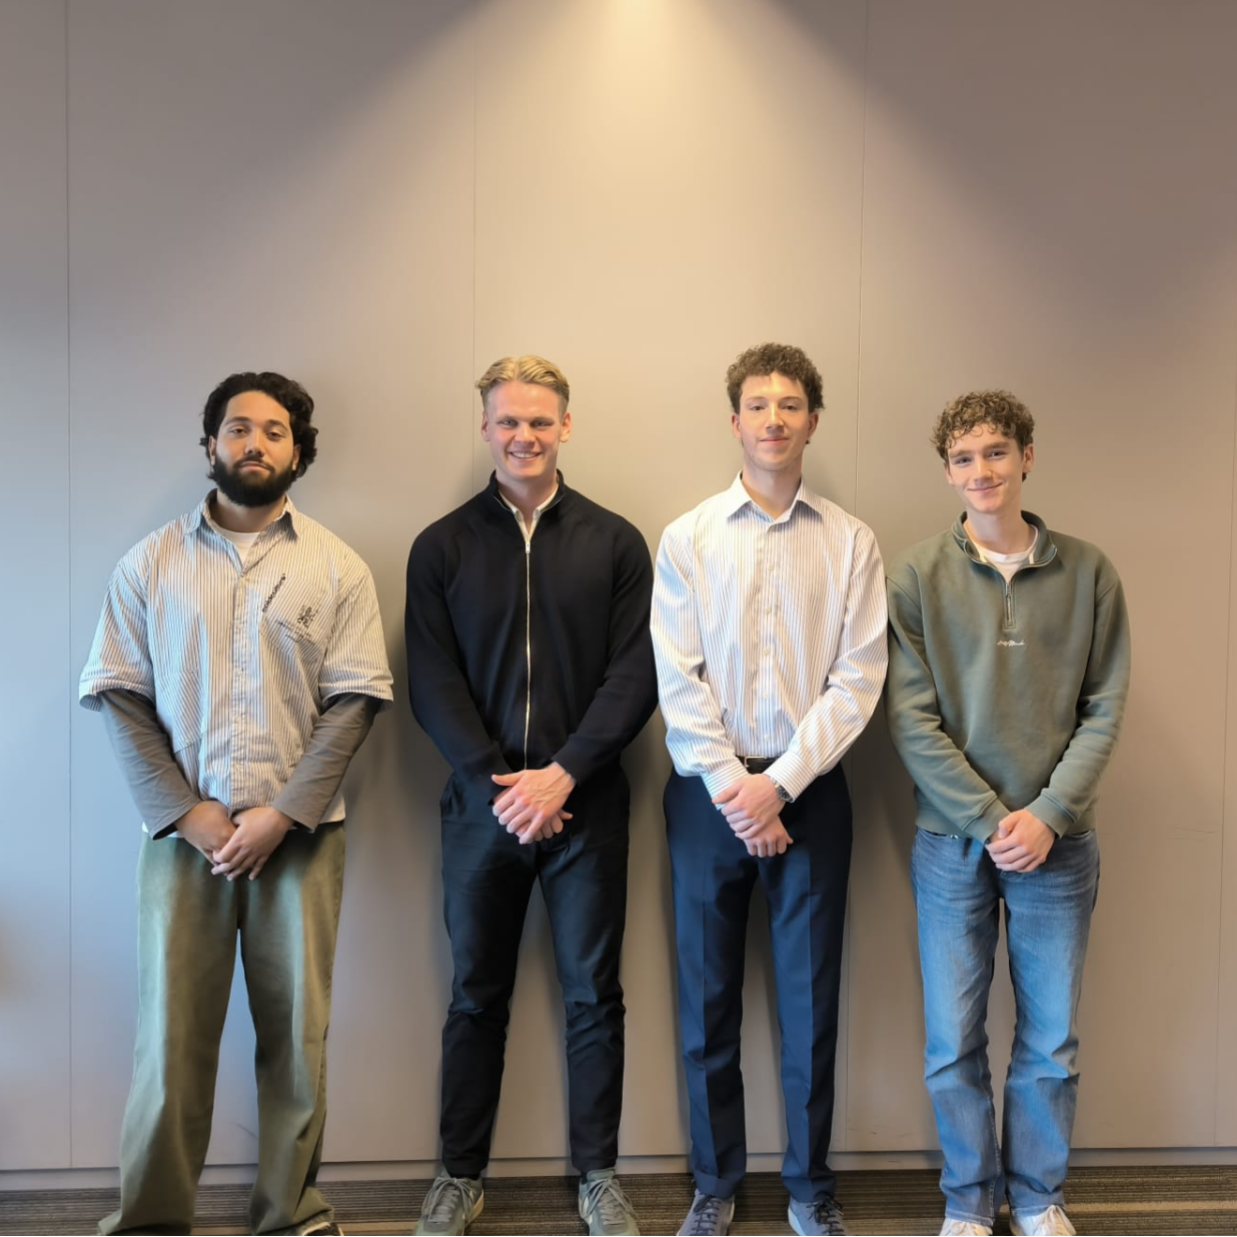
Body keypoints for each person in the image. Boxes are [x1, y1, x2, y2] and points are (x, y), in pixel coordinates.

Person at [79, 371, 393, 1237]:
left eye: (275, 430)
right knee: (169, 1036)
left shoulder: (337, 566)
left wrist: (280, 814)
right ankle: (150, 1219)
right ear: (210, 443)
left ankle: (291, 1213)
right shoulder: (150, 563)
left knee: (298, 1037)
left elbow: (354, 701)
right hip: (181, 840)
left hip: (302, 838)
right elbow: (118, 693)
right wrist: (190, 813)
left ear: (299, 451)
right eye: (238, 427)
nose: (255, 442)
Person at [405, 355, 657, 1237]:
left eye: (540, 420)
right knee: (476, 993)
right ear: (485, 428)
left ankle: (599, 1175)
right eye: (508, 420)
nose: (524, 435)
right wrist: (498, 783)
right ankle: (458, 1174)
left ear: (565, 426)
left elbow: (635, 673)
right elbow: (431, 679)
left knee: (594, 994)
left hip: (587, 803)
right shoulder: (441, 545)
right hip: (482, 810)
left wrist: (564, 772)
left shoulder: (615, 541)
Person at [651, 343, 888, 1237]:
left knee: (808, 1002)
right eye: (758, 404)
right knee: (706, 1000)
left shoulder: (851, 541)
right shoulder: (688, 536)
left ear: (812, 422)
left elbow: (857, 679)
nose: (774, 418)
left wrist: (778, 785)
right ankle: (714, 1183)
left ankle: (808, 1186)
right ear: (735, 420)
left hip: (810, 794)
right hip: (706, 798)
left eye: (790, 405)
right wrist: (735, 788)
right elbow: (677, 676)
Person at [885, 390, 1131, 1237]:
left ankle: (1034, 1195)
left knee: (1050, 1038)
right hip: (950, 843)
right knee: (952, 1038)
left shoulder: (1089, 572)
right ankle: (966, 1199)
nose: (980, 470)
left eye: (995, 451)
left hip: (1059, 842)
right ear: (946, 471)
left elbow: (1104, 707)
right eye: (963, 457)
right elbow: (909, 718)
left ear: (1027, 456)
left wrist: (1048, 813)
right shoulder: (915, 575)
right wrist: (991, 817)